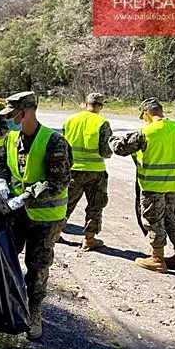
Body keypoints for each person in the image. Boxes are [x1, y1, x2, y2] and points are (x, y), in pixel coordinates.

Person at [0, 91, 72, 340]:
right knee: (6, 258)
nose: (8, 120)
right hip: (17, 214)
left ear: (26, 112)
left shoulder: (54, 141)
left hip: (46, 218)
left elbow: (59, 181)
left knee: (37, 267)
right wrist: (1, 181)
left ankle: (34, 312)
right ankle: (9, 306)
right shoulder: (11, 138)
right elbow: (3, 166)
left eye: (12, 115)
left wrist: (27, 196)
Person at [109, 98, 175, 273]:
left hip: (153, 185)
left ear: (146, 113)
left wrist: (112, 139)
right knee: (170, 218)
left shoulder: (147, 132)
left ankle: (157, 258)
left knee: (154, 220)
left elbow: (120, 148)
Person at [62, 93, 112, 250]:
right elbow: (106, 151)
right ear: (100, 106)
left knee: (65, 203)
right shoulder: (102, 122)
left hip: (72, 171)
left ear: (85, 104)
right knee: (95, 206)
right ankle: (89, 239)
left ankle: (55, 233)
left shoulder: (70, 120)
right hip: (95, 172)